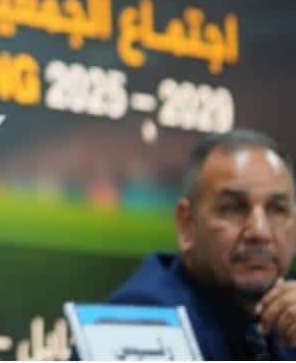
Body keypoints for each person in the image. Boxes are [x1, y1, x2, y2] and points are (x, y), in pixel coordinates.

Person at [109, 130, 296, 360]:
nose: (260, 231)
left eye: (277, 209)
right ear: (187, 225)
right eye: (233, 208)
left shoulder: (287, 311)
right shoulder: (141, 323)